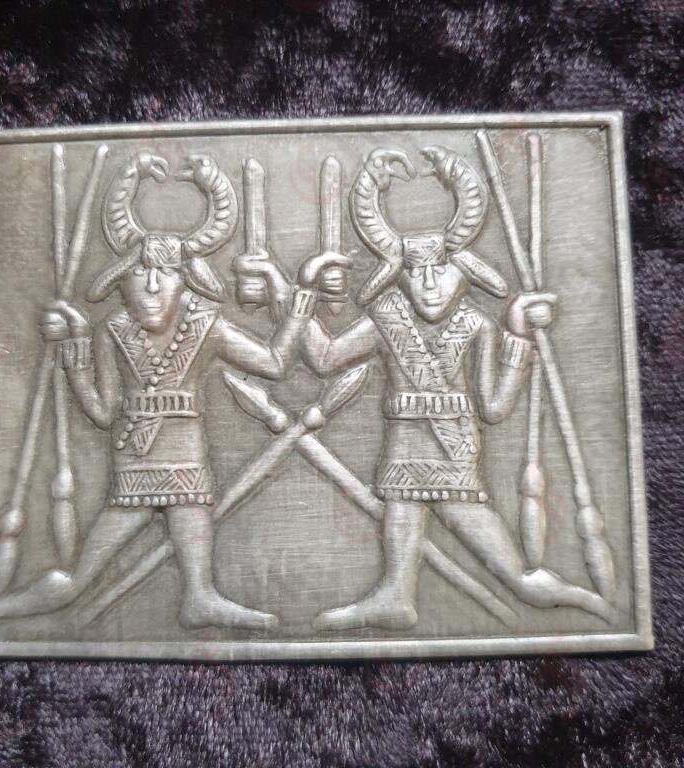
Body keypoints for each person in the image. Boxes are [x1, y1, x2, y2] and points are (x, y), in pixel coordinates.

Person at [239, 146, 613, 630]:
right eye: (415, 271)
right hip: (402, 452)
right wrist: (292, 293)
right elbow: (326, 358)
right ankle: (395, 598)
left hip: (455, 455)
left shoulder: (477, 324)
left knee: (518, 577)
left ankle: (596, 604)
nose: (430, 283)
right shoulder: (386, 316)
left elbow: (494, 408)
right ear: (397, 275)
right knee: (398, 572)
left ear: (467, 271)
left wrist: (518, 335)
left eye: (442, 268)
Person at [0, 151, 344, 630]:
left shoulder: (206, 325)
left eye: (166, 272)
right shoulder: (113, 330)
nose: (152, 285)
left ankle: (199, 599)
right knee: (78, 577)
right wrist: (74, 345)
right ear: (119, 280)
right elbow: (102, 412)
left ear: (187, 281)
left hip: (188, 468)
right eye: (140, 272)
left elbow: (275, 363)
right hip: (133, 469)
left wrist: (299, 301)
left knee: (198, 586)